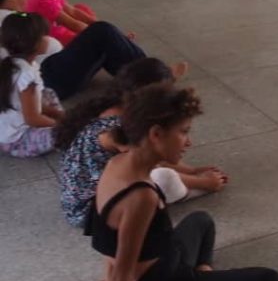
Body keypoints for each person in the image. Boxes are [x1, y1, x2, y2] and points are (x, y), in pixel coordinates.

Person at [63, 83, 278, 281]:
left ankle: (203, 274)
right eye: (183, 132)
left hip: (170, 258)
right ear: (156, 134)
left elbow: (108, 243)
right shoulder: (140, 197)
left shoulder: (117, 163)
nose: (188, 142)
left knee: (201, 220)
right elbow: (121, 270)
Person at [57, 58, 227, 229]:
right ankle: (189, 193)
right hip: (91, 210)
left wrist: (193, 170)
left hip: (92, 197)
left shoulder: (121, 109)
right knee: (164, 178)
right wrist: (203, 183)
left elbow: (156, 155)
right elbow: (151, 165)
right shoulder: (117, 128)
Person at [0, 0, 146, 101]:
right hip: (47, 80)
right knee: (103, 31)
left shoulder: (10, 16)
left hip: (48, 71)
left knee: (104, 42)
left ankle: (136, 76)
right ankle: (151, 76)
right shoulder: (9, 21)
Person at [0, 12, 63, 158]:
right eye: (45, 36)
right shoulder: (26, 75)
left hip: (8, 132)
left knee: (48, 93)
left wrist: (61, 115)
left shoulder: (12, 64)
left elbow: (34, 106)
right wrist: (62, 125)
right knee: (63, 133)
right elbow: (32, 118)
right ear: (35, 43)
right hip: (18, 142)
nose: (49, 39)